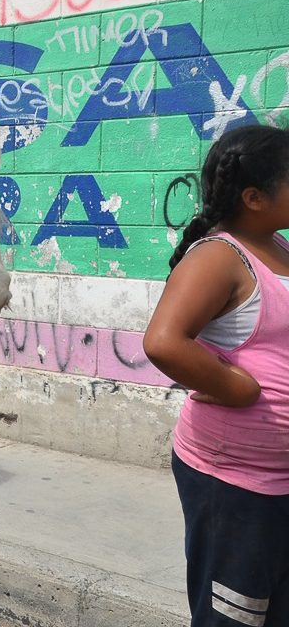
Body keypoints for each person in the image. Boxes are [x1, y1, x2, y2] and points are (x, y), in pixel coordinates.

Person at [144, 124, 289, 627]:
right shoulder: (219, 257)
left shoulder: (281, 248)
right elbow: (164, 342)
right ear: (254, 197)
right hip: (235, 482)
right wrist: (237, 386)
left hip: (280, 483)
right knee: (235, 616)